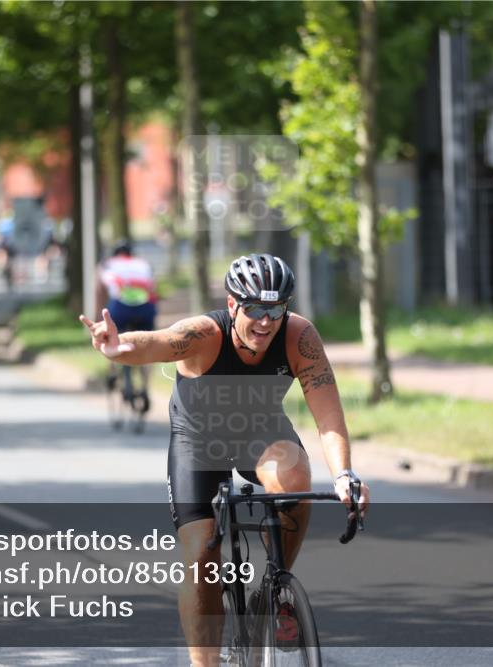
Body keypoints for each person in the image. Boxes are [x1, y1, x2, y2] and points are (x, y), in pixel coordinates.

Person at [79, 253, 370, 666]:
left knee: (294, 483)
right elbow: (160, 342)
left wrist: (343, 474)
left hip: (261, 430)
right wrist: (119, 346)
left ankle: (277, 589)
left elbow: (328, 413)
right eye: (254, 309)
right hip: (198, 440)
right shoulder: (205, 334)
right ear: (233, 304)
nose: (265, 322)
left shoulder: (299, 337)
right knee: (202, 556)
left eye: (275, 309)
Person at [95, 240, 158, 405]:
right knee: (149, 345)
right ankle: (145, 387)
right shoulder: (143, 264)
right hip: (145, 307)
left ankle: (113, 371)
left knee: (109, 337)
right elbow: (153, 288)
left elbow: (99, 291)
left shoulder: (107, 264)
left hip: (120, 307)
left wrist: (99, 319)